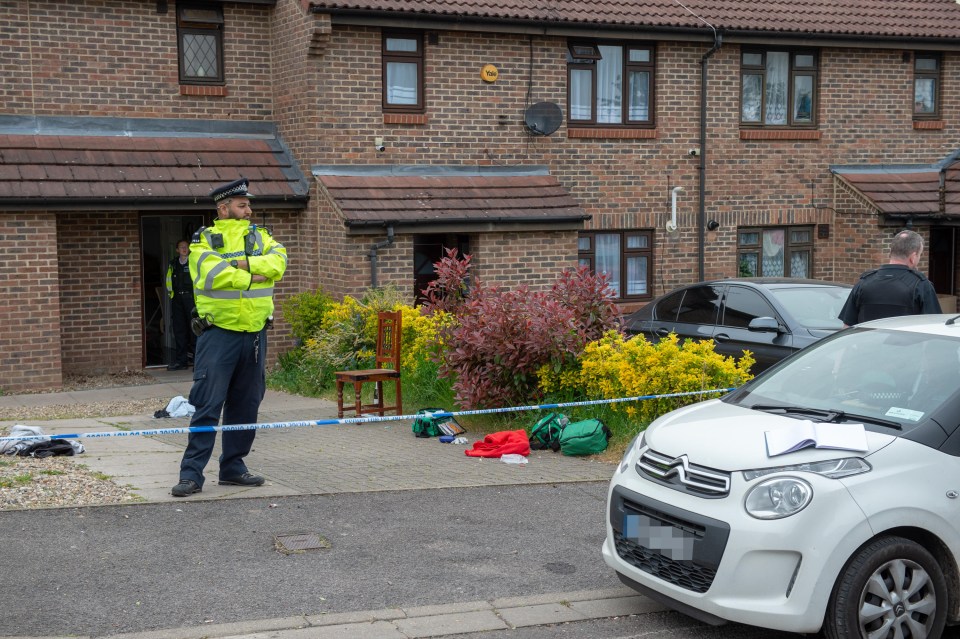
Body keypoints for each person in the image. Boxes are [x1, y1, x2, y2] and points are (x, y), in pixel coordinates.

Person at [171, 177, 287, 498]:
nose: (249, 210)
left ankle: (233, 468)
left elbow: (279, 262)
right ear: (223, 209)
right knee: (207, 404)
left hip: (254, 336)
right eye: (242, 205)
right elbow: (210, 273)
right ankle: (191, 475)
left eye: (249, 204)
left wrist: (237, 264)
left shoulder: (262, 236)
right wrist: (253, 274)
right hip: (218, 335)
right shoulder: (203, 240)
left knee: (246, 405)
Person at [838, 228, 942, 326]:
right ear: (913, 257)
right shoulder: (921, 285)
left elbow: (847, 327)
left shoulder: (864, 282)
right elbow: (933, 327)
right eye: (919, 255)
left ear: (891, 252)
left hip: (868, 344)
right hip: (907, 345)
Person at [164, 239, 196, 371]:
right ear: (177, 250)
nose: (184, 249)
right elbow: (169, 281)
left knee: (195, 329)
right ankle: (181, 361)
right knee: (179, 330)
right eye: (181, 247)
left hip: (191, 299)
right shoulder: (173, 264)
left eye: (186, 247)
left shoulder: (194, 262)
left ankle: (197, 362)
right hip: (177, 299)